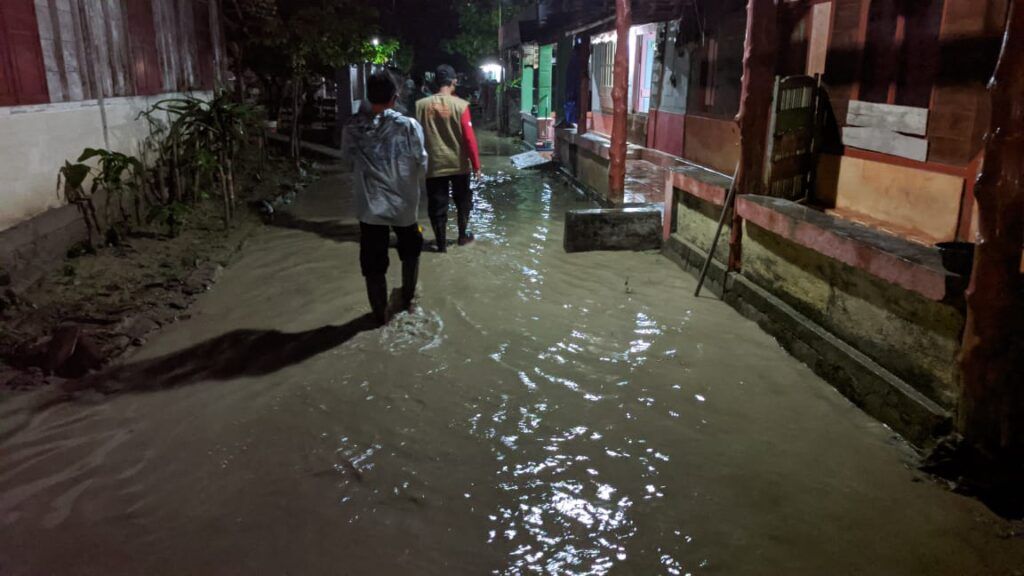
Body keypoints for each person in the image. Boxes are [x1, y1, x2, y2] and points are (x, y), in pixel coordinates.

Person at [341, 71, 428, 325]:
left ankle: (379, 316)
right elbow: (422, 162)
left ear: (368, 96)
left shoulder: (352, 127)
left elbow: (347, 162)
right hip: (404, 206)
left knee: (373, 262)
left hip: (370, 208)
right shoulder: (408, 126)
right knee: (411, 251)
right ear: (395, 97)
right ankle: (408, 300)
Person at [415, 64, 482, 252]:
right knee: (463, 201)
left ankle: (441, 244)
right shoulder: (461, 105)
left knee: (437, 204)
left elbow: (416, 137)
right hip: (458, 165)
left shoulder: (421, 106)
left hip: (433, 165)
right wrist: (476, 165)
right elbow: (469, 138)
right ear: (454, 81)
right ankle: (462, 237)